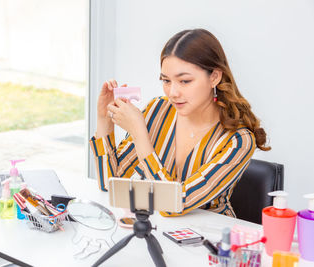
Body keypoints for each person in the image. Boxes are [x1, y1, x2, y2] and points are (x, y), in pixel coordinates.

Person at [89, 28, 270, 217]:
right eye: (166, 80)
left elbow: (173, 204)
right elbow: (111, 183)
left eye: (184, 81)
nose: (173, 92)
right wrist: (103, 119)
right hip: (159, 231)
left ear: (214, 77)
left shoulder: (238, 141)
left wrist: (139, 135)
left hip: (208, 239)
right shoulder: (158, 111)